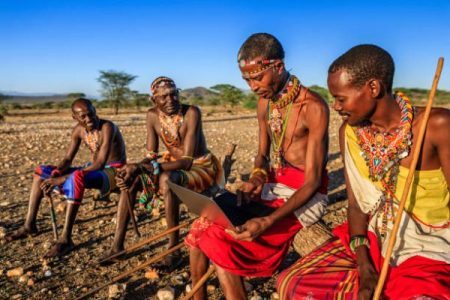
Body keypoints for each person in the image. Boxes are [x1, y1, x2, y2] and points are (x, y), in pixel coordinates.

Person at [278, 44, 450, 299]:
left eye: (340, 98)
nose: (335, 106)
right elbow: (357, 207)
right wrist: (365, 267)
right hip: (374, 239)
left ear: (373, 88)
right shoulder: (350, 133)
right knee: (291, 282)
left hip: (430, 245)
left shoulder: (435, 127)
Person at [186, 33, 330, 299]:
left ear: (278, 67)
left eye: (257, 77)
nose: (252, 86)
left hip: (306, 193)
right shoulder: (265, 102)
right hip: (273, 187)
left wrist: (267, 221)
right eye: (247, 79)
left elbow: (312, 181)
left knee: (222, 238)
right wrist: (256, 178)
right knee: (203, 225)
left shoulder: (313, 107)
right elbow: (262, 156)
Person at [108, 76, 224, 265]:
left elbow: (186, 161)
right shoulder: (152, 115)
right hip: (172, 163)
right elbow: (151, 155)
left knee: (166, 180)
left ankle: (173, 249)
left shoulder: (191, 113)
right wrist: (135, 169)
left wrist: (144, 167)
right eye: (163, 97)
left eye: (173, 95)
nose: (170, 100)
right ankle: (117, 246)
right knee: (131, 179)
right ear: (154, 100)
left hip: (200, 165)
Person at [6, 98, 127, 258]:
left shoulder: (107, 127)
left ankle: (65, 239)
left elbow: (99, 163)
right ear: (75, 118)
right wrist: (57, 172)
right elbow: (68, 159)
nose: (89, 119)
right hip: (93, 168)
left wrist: (61, 180)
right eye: (83, 117)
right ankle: (29, 225)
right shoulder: (78, 130)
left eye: (91, 114)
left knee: (76, 176)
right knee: (41, 171)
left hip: (113, 171)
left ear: (95, 110)